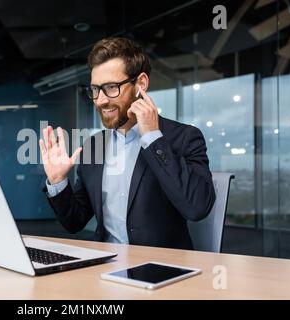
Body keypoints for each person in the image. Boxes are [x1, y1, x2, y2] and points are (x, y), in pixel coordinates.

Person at [38, 37, 216, 250]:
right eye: (95, 90)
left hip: (160, 271)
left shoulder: (185, 137)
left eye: (111, 87)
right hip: (103, 268)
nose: (101, 100)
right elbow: (74, 222)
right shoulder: (94, 146)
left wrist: (152, 138)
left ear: (140, 84)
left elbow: (196, 208)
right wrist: (58, 182)